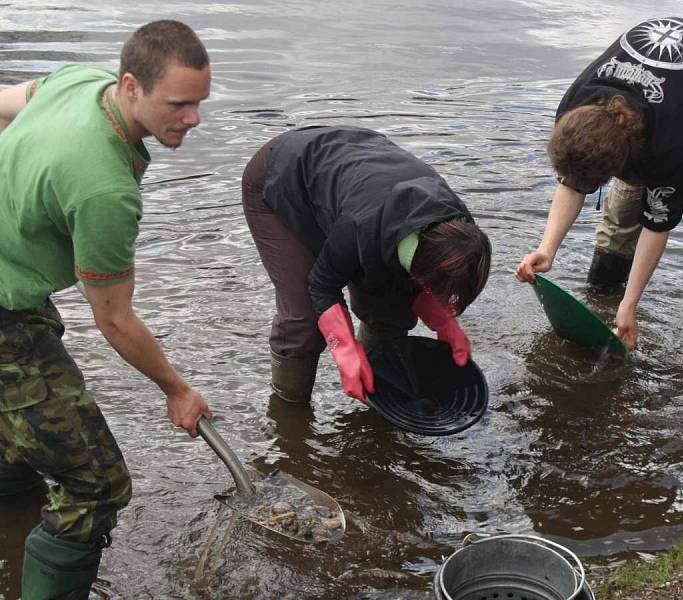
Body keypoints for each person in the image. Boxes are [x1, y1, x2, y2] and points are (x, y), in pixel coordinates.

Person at [0, 20, 213, 598]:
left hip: (13, 289)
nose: (192, 119)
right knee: (96, 484)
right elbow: (115, 321)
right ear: (131, 86)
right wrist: (177, 390)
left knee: (20, 432)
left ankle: (13, 515)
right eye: (178, 104)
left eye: (199, 102)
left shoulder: (78, 83)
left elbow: (3, 107)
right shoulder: (105, 190)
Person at [515, 17, 683, 351]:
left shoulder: (667, 146)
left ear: (621, 164)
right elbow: (573, 183)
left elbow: (657, 226)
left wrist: (630, 305)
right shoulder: (574, 110)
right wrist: (547, 248)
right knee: (621, 215)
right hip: (651, 114)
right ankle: (601, 301)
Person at [243, 125, 491, 404]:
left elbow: (423, 281)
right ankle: (289, 410)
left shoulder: (462, 228)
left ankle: (379, 396)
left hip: (357, 180)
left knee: (391, 311)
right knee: (305, 319)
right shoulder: (361, 226)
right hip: (281, 178)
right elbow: (322, 285)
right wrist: (344, 349)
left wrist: (445, 323)